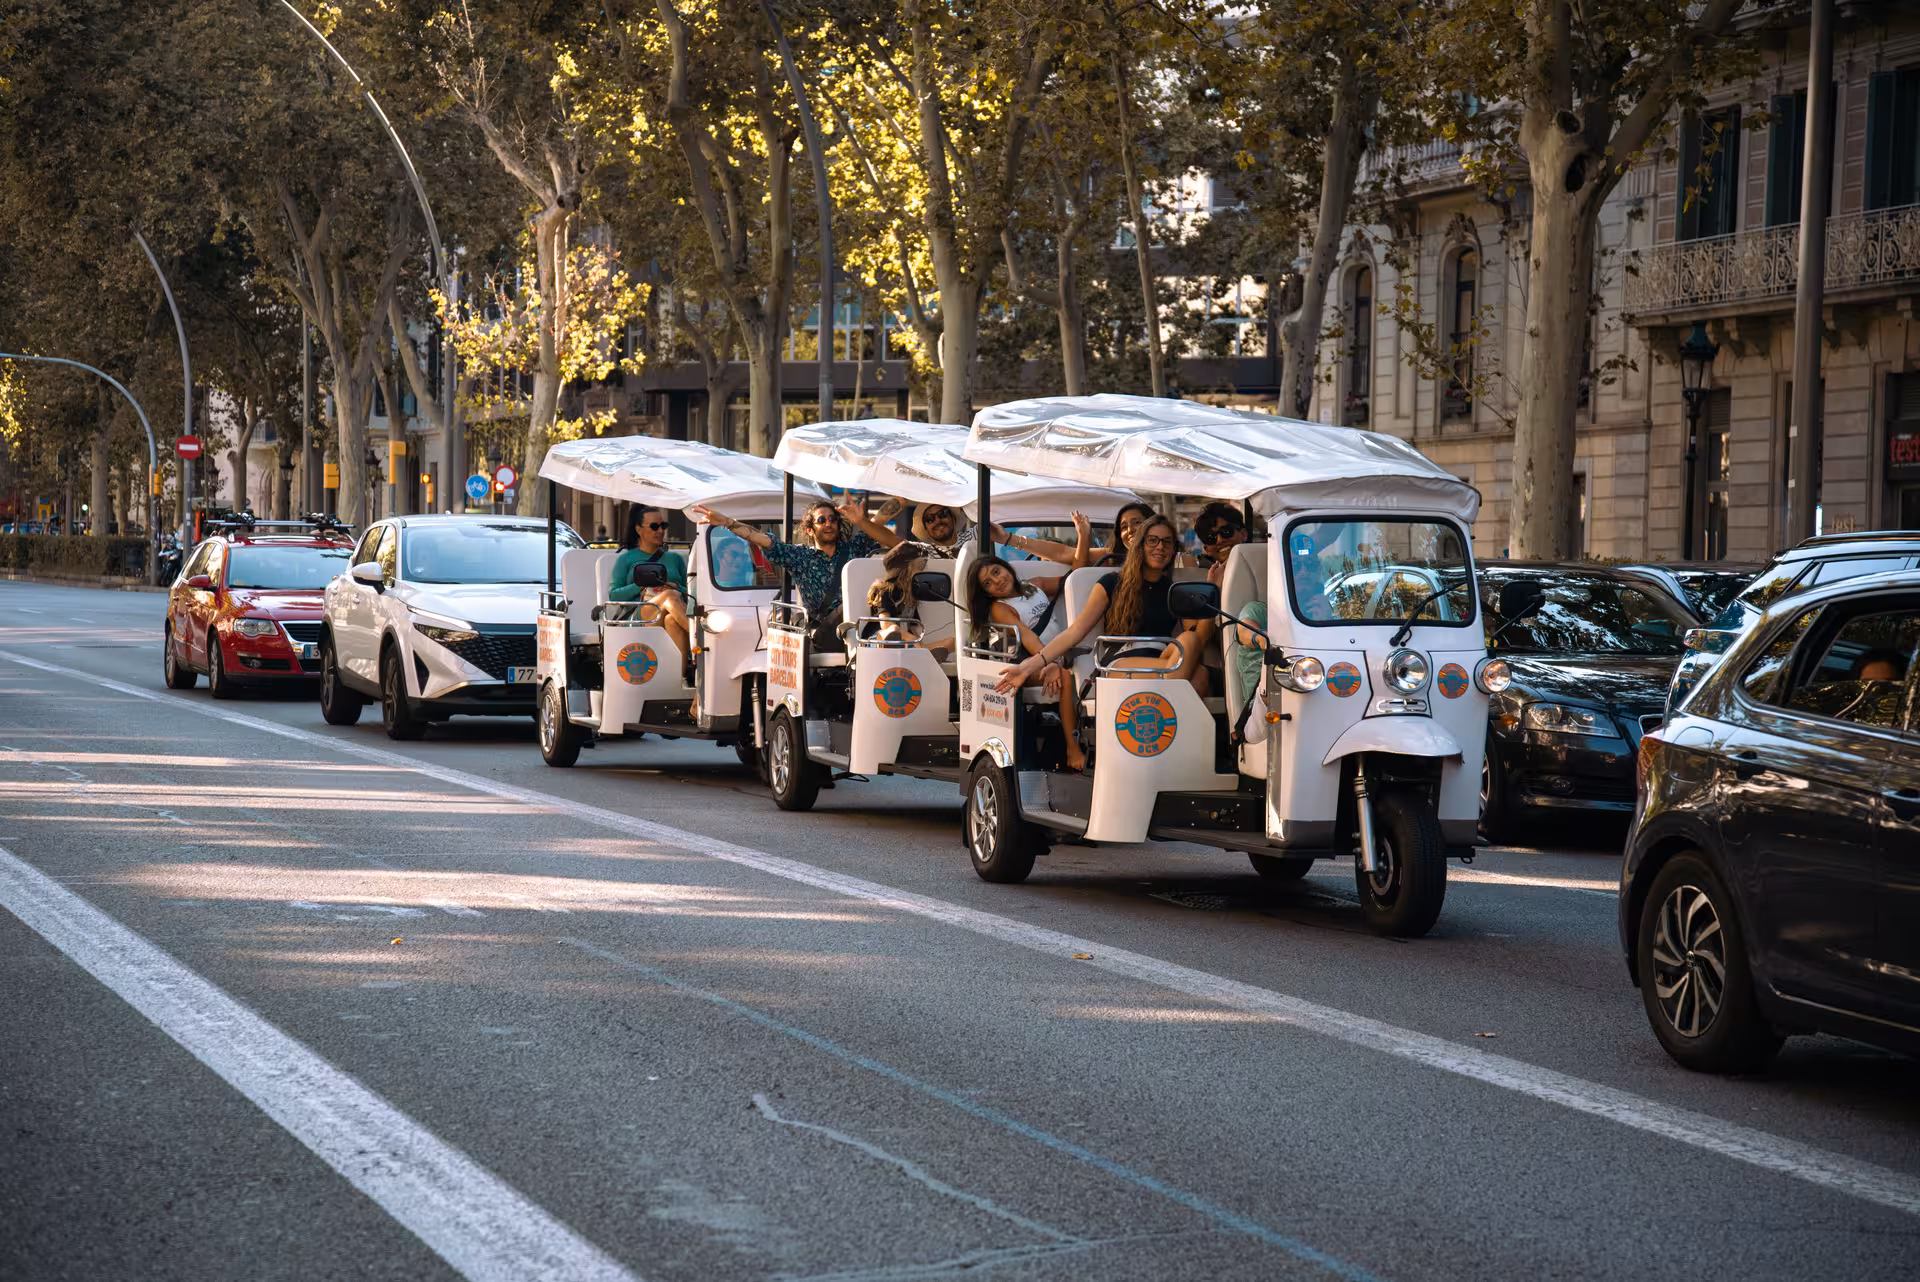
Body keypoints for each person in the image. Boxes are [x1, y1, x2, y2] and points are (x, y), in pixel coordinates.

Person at [996, 513, 1212, 697]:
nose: (1160, 547)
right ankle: (1170, 717)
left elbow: (1199, 637)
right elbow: (1075, 632)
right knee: (1195, 675)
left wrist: (1213, 586)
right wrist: (1028, 667)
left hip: (1163, 659)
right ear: (1140, 545)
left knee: (1191, 644)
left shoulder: (1173, 590)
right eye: (1152, 540)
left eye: (1167, 542)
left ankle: (1169, 718)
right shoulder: (1111, 582)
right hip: (1122, 662)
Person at [689, 498, 900, 648]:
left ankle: (890, 634)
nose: (828, 523)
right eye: (821, 520)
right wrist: (728, 523)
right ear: (809, 529)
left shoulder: (854, 548)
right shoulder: (799, 555)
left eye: (833, 519)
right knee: (867, 595)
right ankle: (886, 634)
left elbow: (888, 531)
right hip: (826, 630)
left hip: (860, 623)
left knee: (887, 587)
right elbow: (762, 539)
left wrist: (862, 520)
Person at [967, 556, 1083, 770]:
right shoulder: (1001, 608)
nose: (997, 581)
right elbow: (1028, 639)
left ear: (1006, 567)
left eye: (996, 572)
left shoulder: (1035, 585)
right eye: (987, 583)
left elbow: (1075, 580)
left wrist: (1083, 534)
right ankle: (1072, 747)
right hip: (1027, 664)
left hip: (1056, 657)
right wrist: (1050, 662)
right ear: (987, 593)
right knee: (1066, 675)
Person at [609, 507, 691, 668]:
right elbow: (614, 596)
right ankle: (701, 638)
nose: (660, 531)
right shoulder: (626, 559)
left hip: (672, 609)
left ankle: (680, 681)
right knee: (669, 595)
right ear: (639, 529)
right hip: (640, 615)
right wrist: (640, 585)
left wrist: (676, 586)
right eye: (654, 526)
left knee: (671, 621)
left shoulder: (675, 558)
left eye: (663, 526)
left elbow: (691, 592)